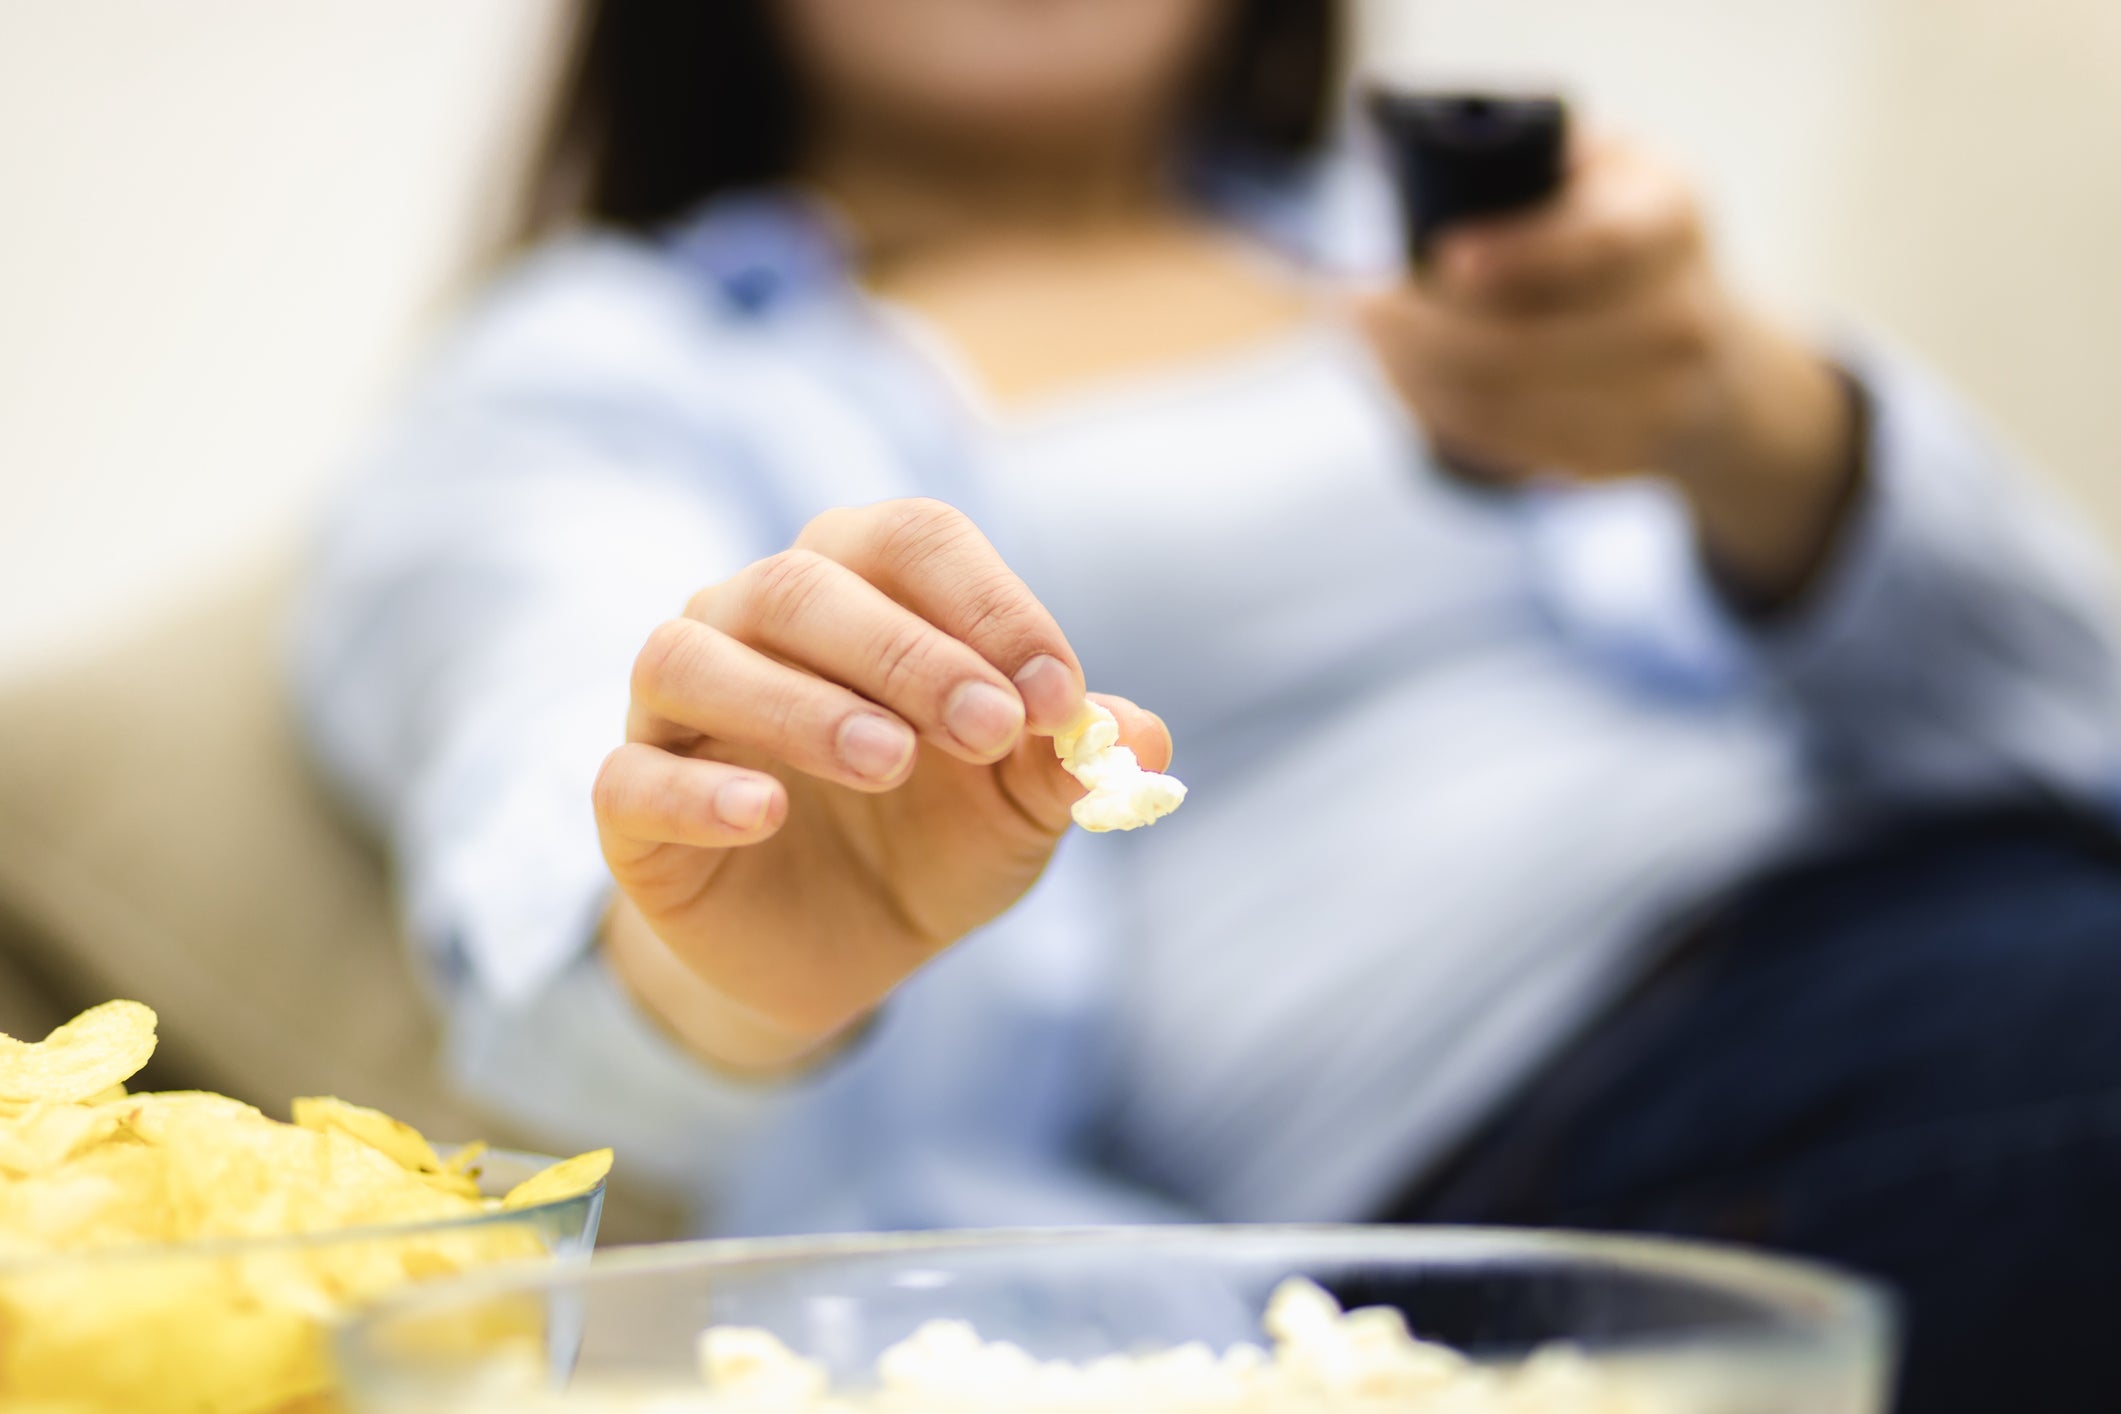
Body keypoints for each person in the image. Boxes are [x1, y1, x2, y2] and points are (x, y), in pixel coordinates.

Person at [296, 2, 2121, 1409]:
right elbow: (556, 804)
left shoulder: (1437, 245)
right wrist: (721, 959)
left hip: (1981, 908)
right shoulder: (594, 373)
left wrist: (1753, 419)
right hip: (1574, 1141)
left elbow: (2079, 721)